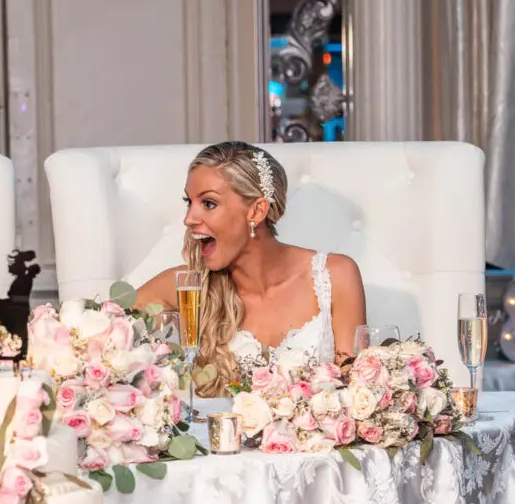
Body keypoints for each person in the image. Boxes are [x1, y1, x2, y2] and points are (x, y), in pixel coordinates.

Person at [136, 141, 366, 397]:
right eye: (189, 202)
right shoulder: (187, 285)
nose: (188, 219)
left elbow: (355, 394)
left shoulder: (335, 276)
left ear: (257, 211)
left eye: (208, 203)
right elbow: (95, 339)